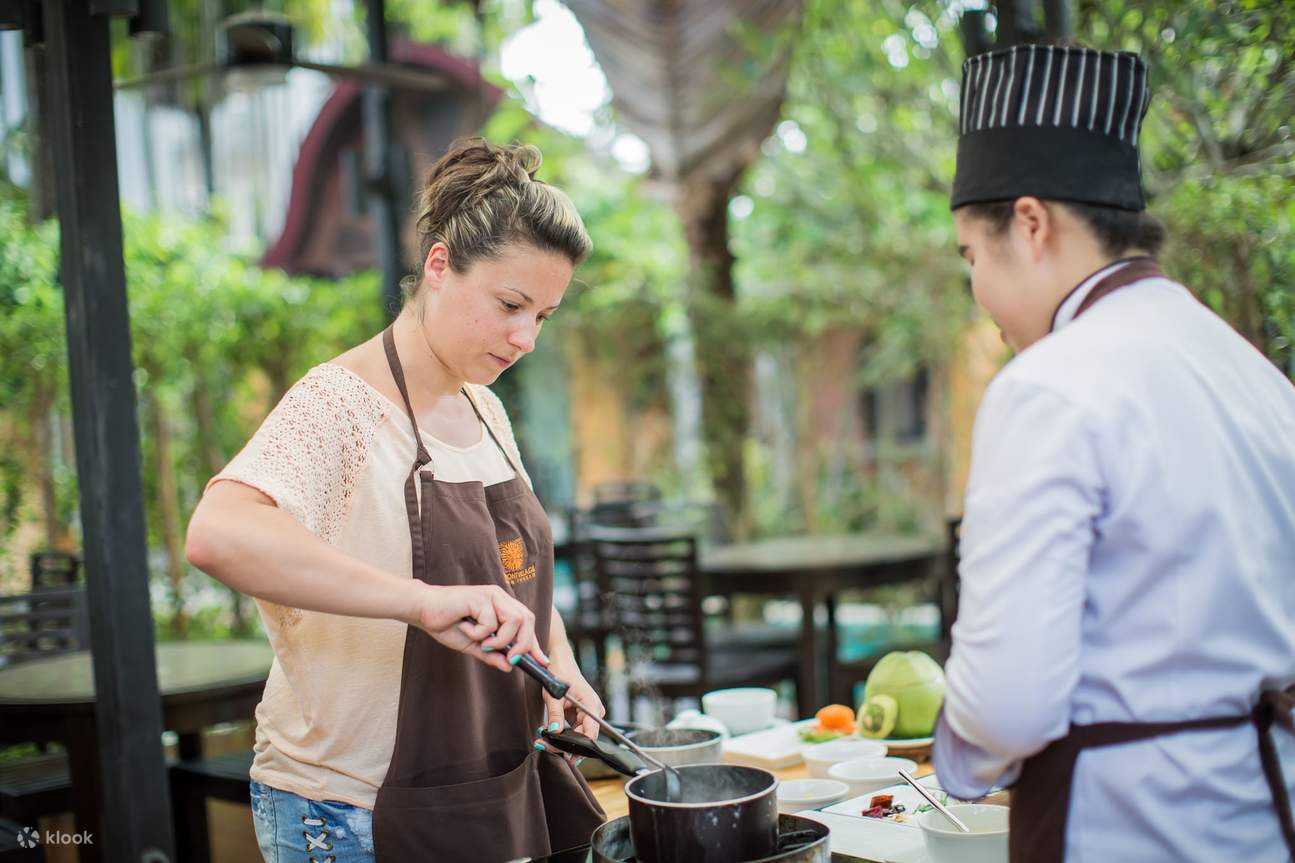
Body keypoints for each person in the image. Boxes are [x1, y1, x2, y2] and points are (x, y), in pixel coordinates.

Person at [186, 138, 607, 862]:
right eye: (510, 305)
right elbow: (217, 534)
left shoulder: (484, 408)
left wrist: (561, 666)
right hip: (345, 811)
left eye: (542, 316)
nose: (525, 338)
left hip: (477, 794)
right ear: (439, 266)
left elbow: (513, 567)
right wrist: (418, 601)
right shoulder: (339, 404)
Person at [933, 44, 1295, 862]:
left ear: (1029, 224)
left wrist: (956, 753)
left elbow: (1006, 705)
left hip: (1128, 827)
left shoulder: (1048, 386)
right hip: (1263, 814)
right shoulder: (1255, 376)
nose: (977, 291)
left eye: (970, 255)